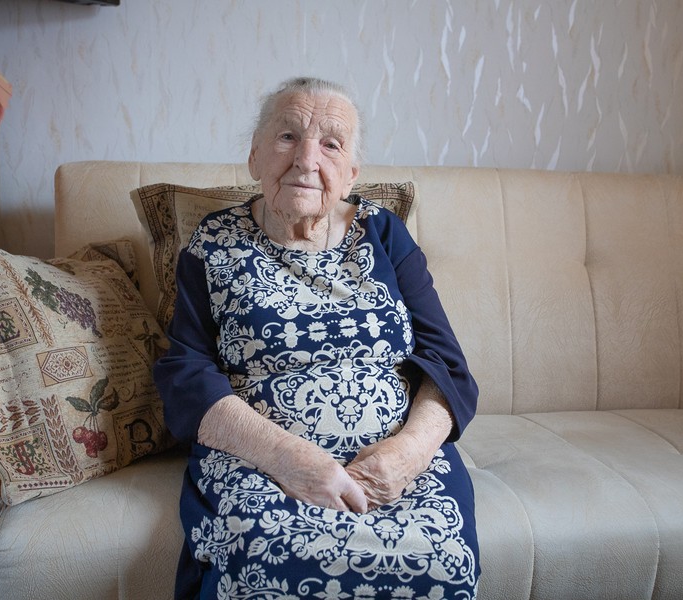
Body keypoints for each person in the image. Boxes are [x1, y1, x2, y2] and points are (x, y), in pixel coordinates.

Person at [154, 77, 481, 599]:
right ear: (254, 156)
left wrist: (405, 456)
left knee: (439, 559)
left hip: (392, 461)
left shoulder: (384, 233)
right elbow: (186, 373)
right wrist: (289, 459)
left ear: (351, 175)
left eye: (331, 143)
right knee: (260, 559)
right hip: (261, 460)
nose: (307, 159)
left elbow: (447, 363)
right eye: (288, 136)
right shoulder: (214, 239)